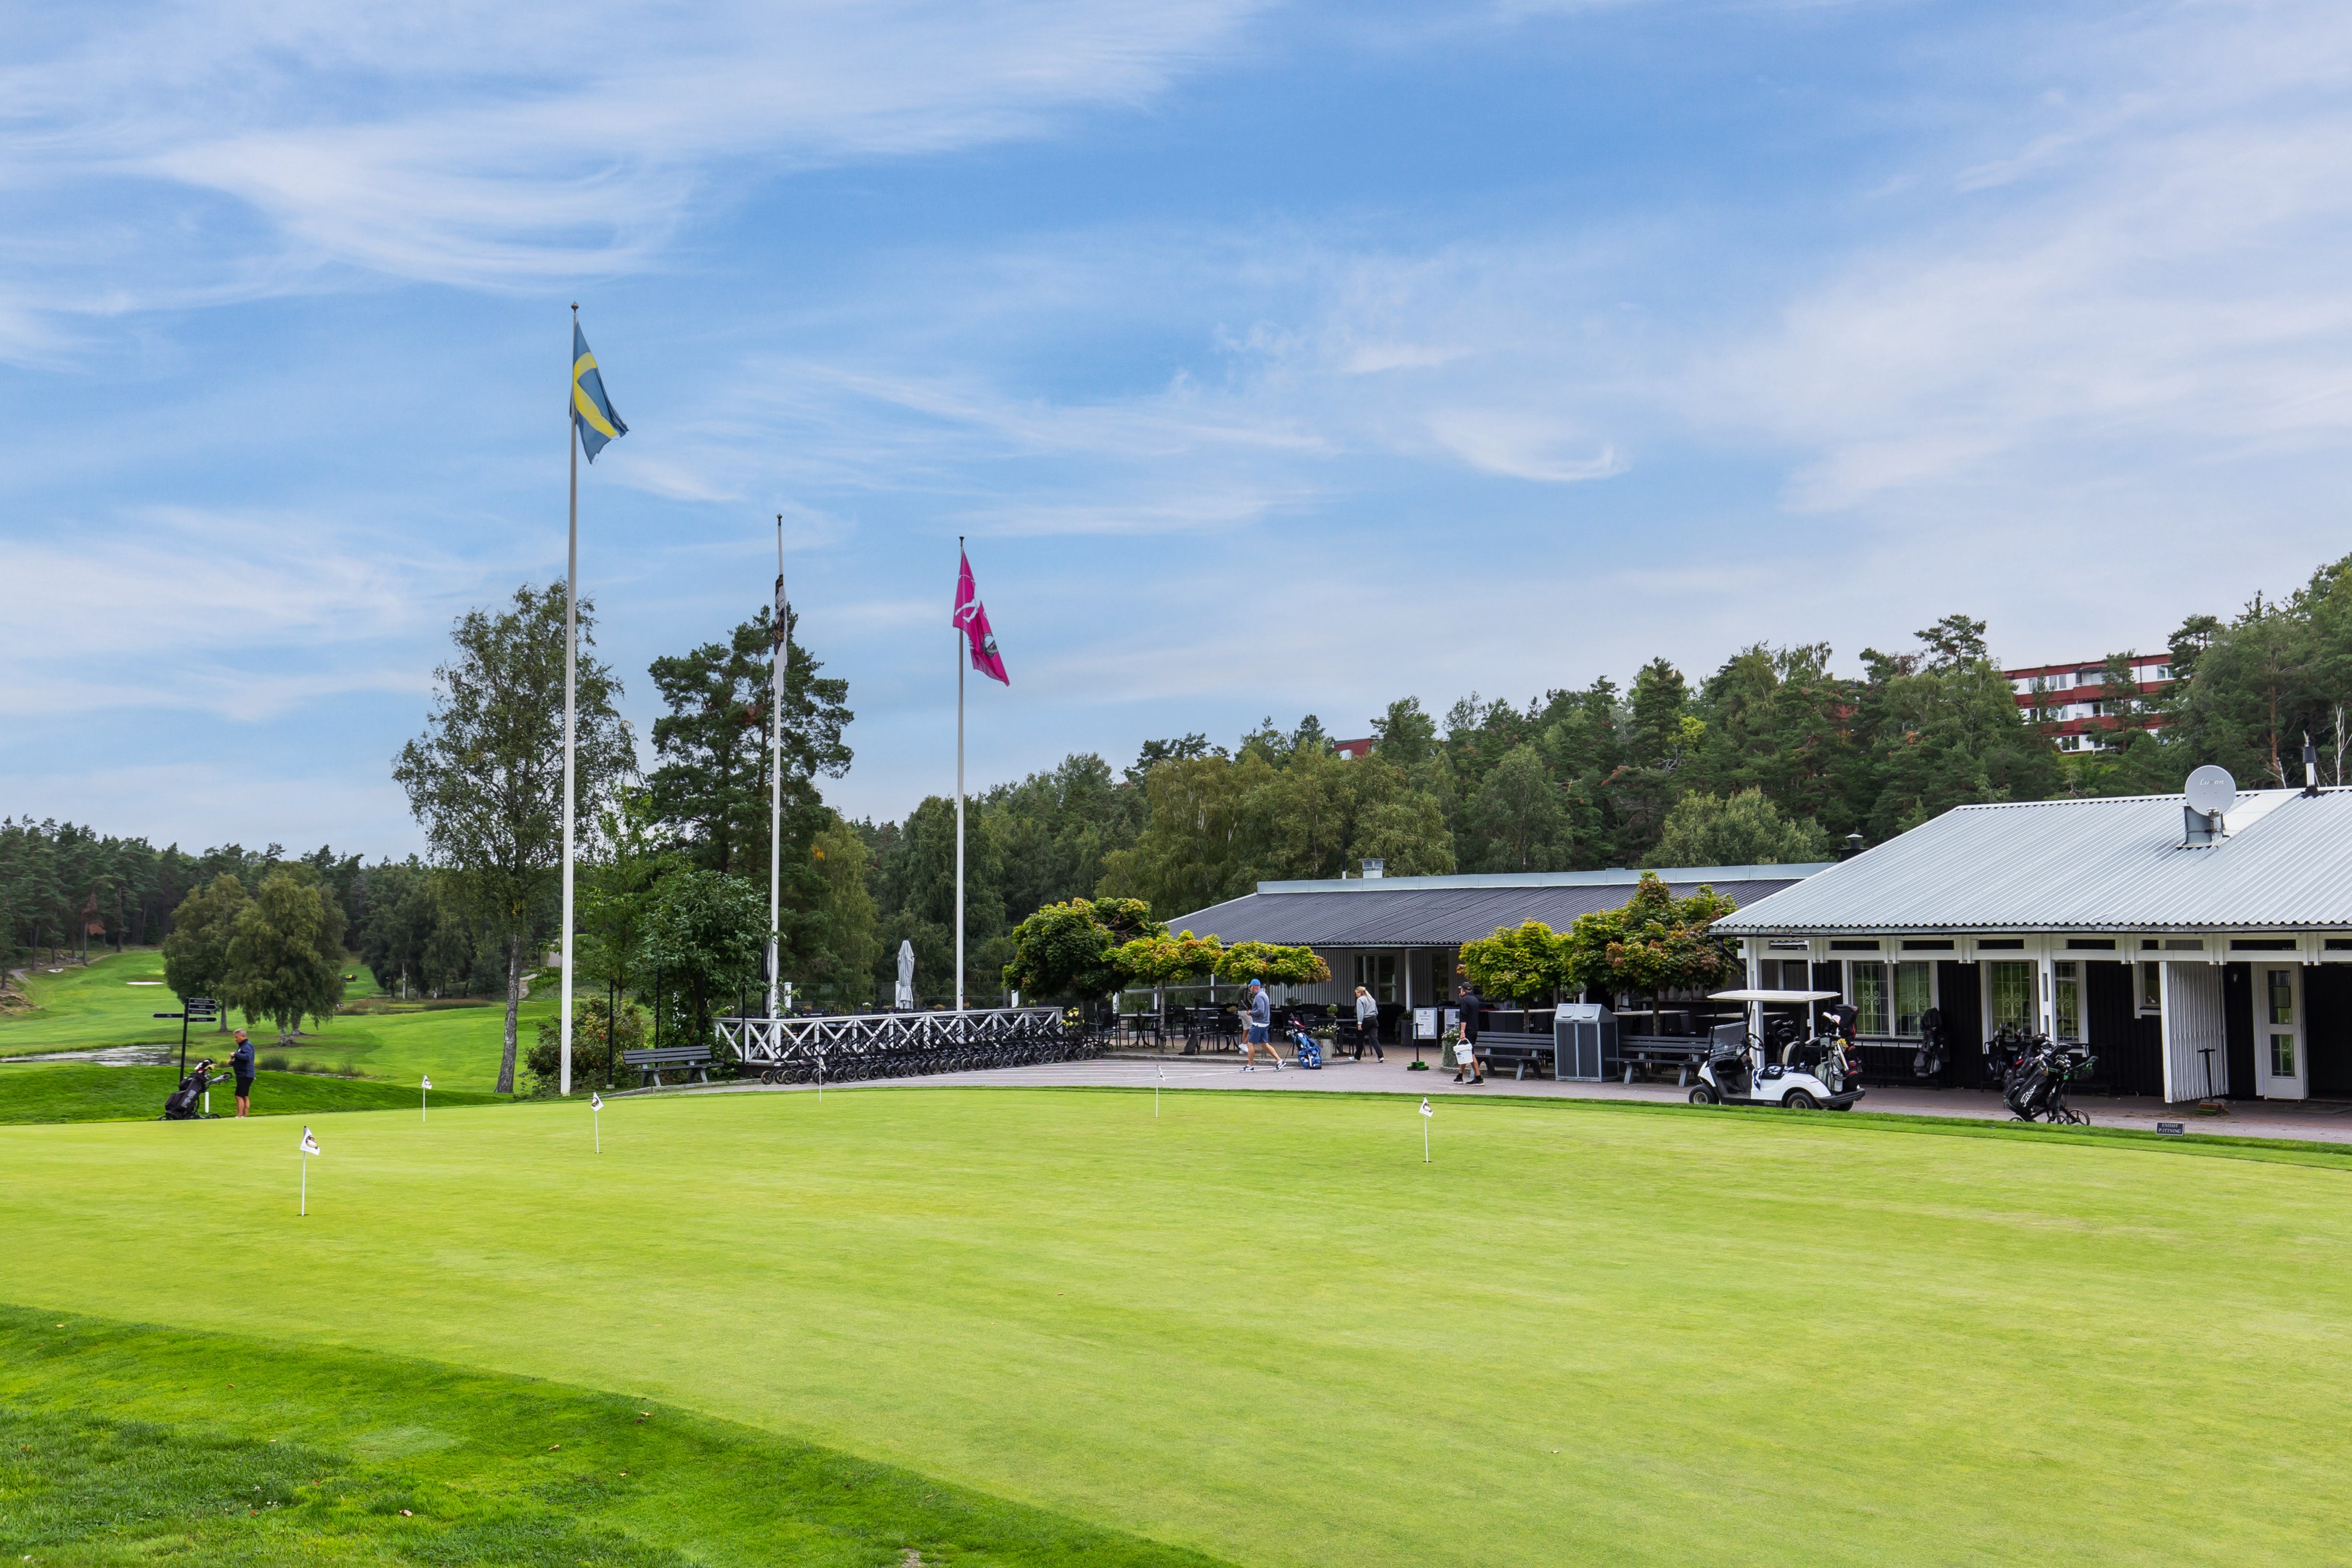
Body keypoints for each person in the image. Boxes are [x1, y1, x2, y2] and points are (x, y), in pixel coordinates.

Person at [1241, 978, 1281, 1071]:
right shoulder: (1264, 994)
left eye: (1250, 987)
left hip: (1258, 1024)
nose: (1250, 989)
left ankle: (1250, 1066)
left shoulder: (1259, 996)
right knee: (1265, 1044)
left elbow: (1260, 1010)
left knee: (1250, 1044)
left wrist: (1250, 1013)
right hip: (1265, 1023)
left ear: (1254, 987)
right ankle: (1279, 1061)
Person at [1453, 983, 1484, 1085]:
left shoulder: (1464, 1000)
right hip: (1474, 1028)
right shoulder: (1475, 999)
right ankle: (1460, 1076)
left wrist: (1462, 1032)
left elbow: (1463, 1017)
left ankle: (1478, 1078)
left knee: (1470, 1053)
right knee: (1464, 1051)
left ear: (1462, 990)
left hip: (1467, 1030)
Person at [228, 1027, 256, 1116]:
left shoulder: (247, 1045)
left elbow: (247, 1057)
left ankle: (239, 1116)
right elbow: (242, 1060)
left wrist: (235, 1054)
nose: (235, 1039)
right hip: (244, 1074)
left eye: (237, 1037)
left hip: (245, 1074)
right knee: (244, 1096)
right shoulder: (242, 1046)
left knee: (238, 1095)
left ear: (243, 1036)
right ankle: (244, 1116)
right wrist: (233, 1063)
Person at [1352, 984, 1384, 1061]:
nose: (1356, 995)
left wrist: (1359, 1023)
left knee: (1360, 1038)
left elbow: (1360, 1012)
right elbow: (1376, 1012)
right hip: (1373, 1020)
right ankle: (1381, 1056)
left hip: (1365, 1020)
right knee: (1374, 1039)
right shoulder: (1371, 999)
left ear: (1360, 992)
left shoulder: (1360, 1000)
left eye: (1356, 993)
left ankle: (1357, 1057)